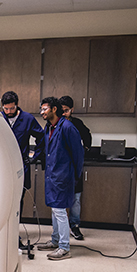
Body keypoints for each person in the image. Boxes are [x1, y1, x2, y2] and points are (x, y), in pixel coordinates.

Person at [36, 96, 84, 260]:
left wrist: (75, 176)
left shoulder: (68, 127)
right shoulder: (49, 127)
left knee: (60, 211)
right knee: (55, 210)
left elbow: (78, 153)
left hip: (63, 176)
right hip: (53, 174)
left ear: (54, 109)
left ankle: (64, 247)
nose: (42, 112)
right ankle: (55, 240)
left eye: (44, 109)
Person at [0, 91, 43, 206]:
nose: (9, 112)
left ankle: (16, 223)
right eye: (6, 109)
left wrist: (35, 156)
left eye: (12, 108)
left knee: (18, 199)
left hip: (21, 165)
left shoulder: (27, 119)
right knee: (3, 199)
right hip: (2, 165)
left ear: (17, 105)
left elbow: (41, 137)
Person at [59, 96, 92, 240]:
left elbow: (87, 135)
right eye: (61, 111)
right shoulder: (56, 123)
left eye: (66, 111)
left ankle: (74, 225)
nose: (63, 113)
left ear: (72, 110)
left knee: (75, 198)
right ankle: (60, 229)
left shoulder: (77, 124)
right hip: (60, 166)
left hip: (74, 165)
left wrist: (85, 148)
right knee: (59, 200)